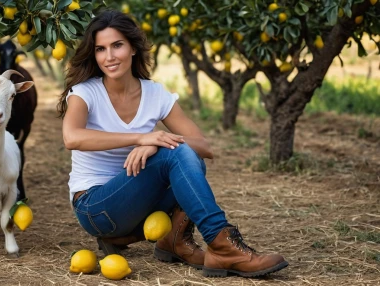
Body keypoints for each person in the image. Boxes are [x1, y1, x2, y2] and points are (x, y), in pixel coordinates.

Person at [58, 10, 288, 278]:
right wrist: (141, 137)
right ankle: (223, 245)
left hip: (137, 206)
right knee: (177, 153)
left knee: (191, 159)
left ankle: (174, 240)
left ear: (133, 47)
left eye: (117, 45)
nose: (109, 57)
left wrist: (155, 144)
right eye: (100, 49)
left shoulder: (155, 93)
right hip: (95, 207)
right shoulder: (86, 92)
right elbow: (71, 137)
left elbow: (204, 146)